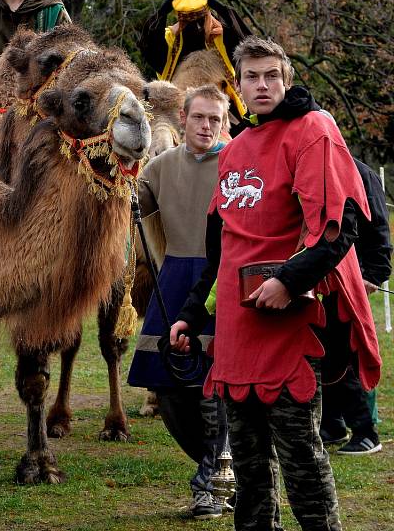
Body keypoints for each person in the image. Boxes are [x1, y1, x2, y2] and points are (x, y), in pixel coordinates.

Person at [169, 36, 381, 531]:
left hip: (289, 323)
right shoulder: (235, 148)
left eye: (271, 76)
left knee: (300, 456)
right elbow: (221, 247)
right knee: (247, 465)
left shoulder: (314, 130)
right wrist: (192, 311)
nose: (261, 85)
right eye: (251, 76)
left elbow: (338, 229)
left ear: (286, 80)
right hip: (238, 334)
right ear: (238, 85)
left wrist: (288, 280)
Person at [127, 84, 231, 520]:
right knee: (168, 388)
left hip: (220, 281)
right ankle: (220, 469)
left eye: (215, 119)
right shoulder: (157, 168)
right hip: (172, 280)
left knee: (216, 391)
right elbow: (133, 213)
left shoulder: (238, 163)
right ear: (183, 118)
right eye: (199, 117)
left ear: (224, 123)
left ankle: (214, 480)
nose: (206, 126)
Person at [320, 157, 391, 455]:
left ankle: (365, 431)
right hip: (322, 277)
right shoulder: (313, 168)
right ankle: (332, 423)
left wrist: (372, 274)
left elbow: (377, 227)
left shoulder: (360, 172)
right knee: (325, 354)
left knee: (348, 353)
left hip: (353, 279)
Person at [138, 0, 252, 135]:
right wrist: (162, 12)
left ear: (208, 16)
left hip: (221, 106)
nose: (196, 27)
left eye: (200, 20)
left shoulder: (222, 36)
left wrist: (221, 8)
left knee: (241, 134)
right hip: (180, 107)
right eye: (188, 22)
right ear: (180, 20)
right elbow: (150, 46)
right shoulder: (171, 40)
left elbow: (248, 44)